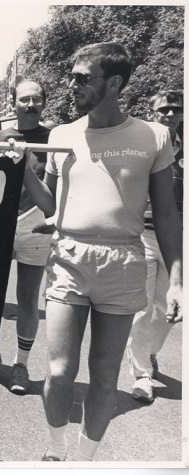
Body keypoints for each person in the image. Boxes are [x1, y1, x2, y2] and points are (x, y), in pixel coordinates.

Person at [18, 42, 182, 461]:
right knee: (58, 371)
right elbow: (53, 207)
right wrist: (23, 168)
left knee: (105, 377)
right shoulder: (62, 135)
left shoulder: (154, 135)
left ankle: (85, 460)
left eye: (81, 78)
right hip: (70, 258)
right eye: (72, 76)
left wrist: (177, 280)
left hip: (124, 262)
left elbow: (165, 214)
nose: (71, 85)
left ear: (113, 83)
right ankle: (56, 455)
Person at [0, 80, 53, 395]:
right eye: (24, 100)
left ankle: (21, 365)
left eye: (36, 99)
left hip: (35, 225)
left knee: (28, 299)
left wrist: (24, 164)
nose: (31, 105)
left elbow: (51, 202)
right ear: (13, 103)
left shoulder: (54, 139)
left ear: (43, 103)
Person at [125, 90, 184, 403]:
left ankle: (149, 352)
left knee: (168, 310)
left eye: (177, 109)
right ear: (152, 113)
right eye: (164, 109)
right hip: (145, 235)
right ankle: (141, 374)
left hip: (180, 239)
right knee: (142, 309)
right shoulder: (143, 146)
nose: (171, 115)